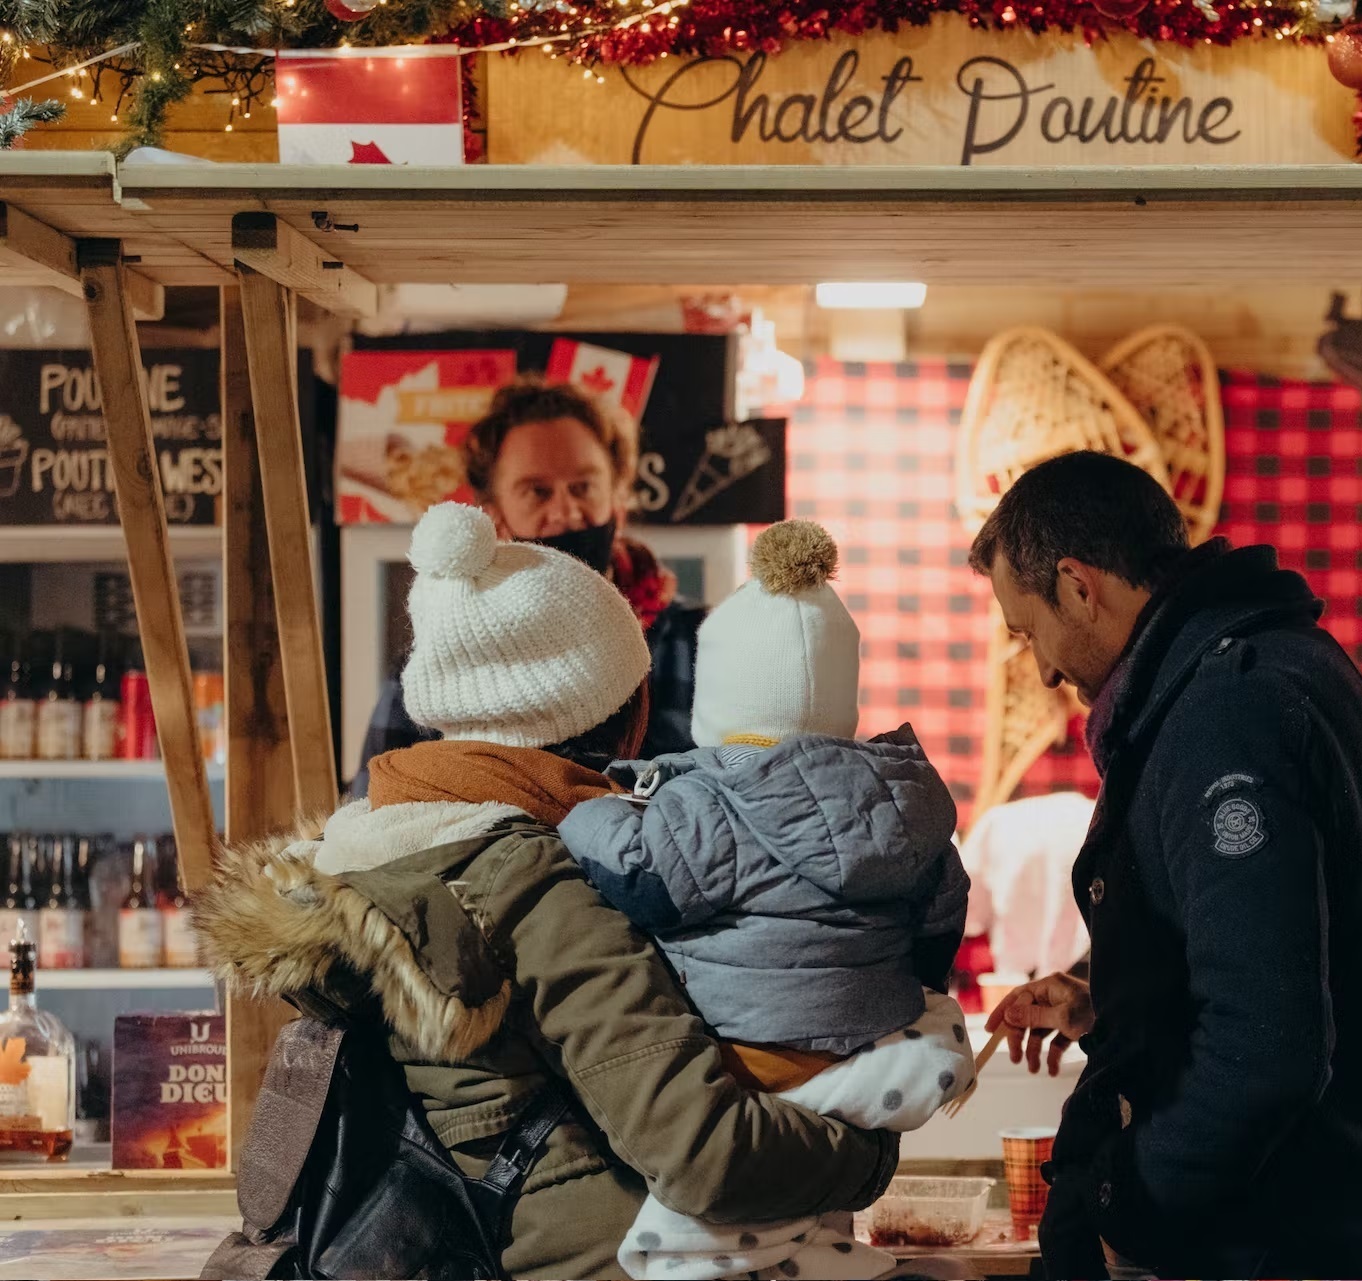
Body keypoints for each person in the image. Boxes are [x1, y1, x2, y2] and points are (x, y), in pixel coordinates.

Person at [196, 503, 898, 1279]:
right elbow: (705, 1155)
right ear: (617, 719)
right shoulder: (530, 881)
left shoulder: (358, 854)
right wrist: (867, 1148)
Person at [968, 451, 1362, 1281]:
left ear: (1081, 586)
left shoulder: (1226, 715)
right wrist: (1118, 1001)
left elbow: (1268, 1046)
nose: (1041, 667)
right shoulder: (1318, 676)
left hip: (1244, 1254)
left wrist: (1133, 1209)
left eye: (1029, 629)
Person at [558, 519, 974, 1279]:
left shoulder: (707, 805)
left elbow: (636, 870)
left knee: (713, 1226)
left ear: (721, 698)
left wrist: (586, 805)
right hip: (862, 1050)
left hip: (750, 1052)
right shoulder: (907, 806)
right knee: (815, 1213)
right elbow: (943, 920)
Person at [351, 376, 702, 796]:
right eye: (537, 491)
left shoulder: (700, 643)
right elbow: (373, 815)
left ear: (618, 499)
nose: (567, 512)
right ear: (494, 516)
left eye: (583, 487)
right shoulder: (438, 663)